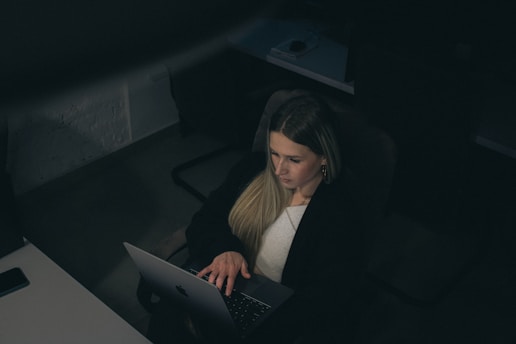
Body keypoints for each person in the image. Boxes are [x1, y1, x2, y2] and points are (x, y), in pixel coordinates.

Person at [146, 92, 368, 343]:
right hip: (225, 285)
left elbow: (328, 297)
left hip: (278, 313)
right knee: (169, 315)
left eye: (294, 159)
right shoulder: (253, 169)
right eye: (274, 153)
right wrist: (226, 250)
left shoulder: (339, 213)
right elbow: (205, 219)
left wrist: (256, 315)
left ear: (324, 157)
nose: (278, 169)